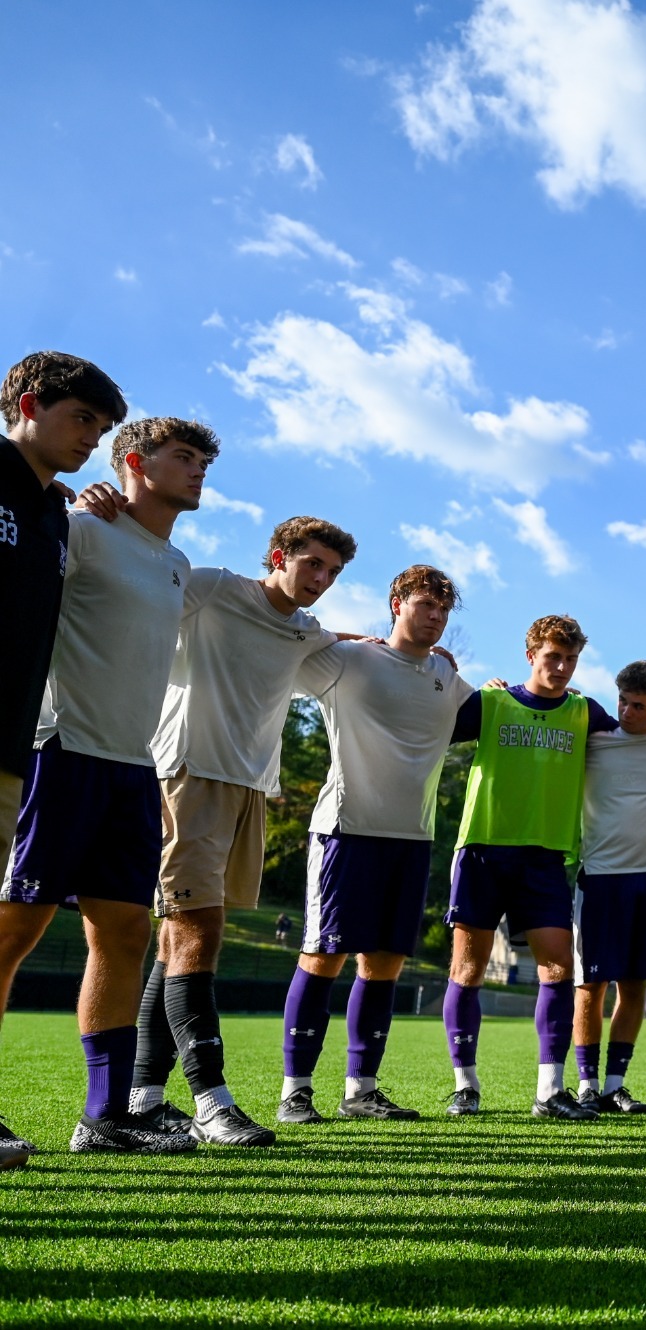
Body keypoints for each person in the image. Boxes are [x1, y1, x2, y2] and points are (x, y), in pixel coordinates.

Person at [2, 417, 212, 1156]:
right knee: (14, 930)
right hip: (61, 751)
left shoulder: (179, 562)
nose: (197, 470)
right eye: (181, 457)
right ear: (134, 461)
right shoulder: (81, 527)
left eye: (201, 461)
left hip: (132, 767)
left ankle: (107, 1116)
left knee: (124, 933)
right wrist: (70, 499)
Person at [119, 515, 358, 1149]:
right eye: (312, 564)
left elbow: (344, 641)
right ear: (279, 555)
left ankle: (140, 1097)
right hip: (188, 772)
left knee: (177, 941)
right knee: (199, 934)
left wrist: (403, 646)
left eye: (332, 573)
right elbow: (142, 600)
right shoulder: (216, 588)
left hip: (251, 787)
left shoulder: (307, 630)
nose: (322, 580)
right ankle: (211, 1101)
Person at [277, 565, 473, 1124]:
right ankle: (296, 1091)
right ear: (396, 603)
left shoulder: (446, 677)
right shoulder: (349, 660)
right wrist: (342, 636)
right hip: (345, 832)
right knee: (323, 955)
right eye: (425, 605)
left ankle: (361, 1091)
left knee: (384, 963)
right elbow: (285, 646)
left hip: (411, 839)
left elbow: (497, 712)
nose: (435, 617)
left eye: (443, 609)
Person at [0, 352, 128, 1167]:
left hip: (9, 748)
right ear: (27, 402)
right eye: (81, 419)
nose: (91, 440)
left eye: (102, 428)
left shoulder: (55, 513)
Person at [441, 614, 618, 1120]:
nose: (561, 667)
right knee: (468, 968)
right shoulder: (491, 703)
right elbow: (424, 726)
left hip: (545, 857)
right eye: (552, 657)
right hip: (483, 849)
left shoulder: (585, 711)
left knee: (559, 967)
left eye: (570, 659)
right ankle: (465, 1086)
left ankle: (549, 1092)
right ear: (530, 656)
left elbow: (639, 732)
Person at [572, 659, 646, 1116]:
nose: (625, 710)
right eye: (622, 700)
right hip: (600, 878)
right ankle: (586, 1085)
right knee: (590, 984)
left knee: (635, 986)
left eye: (638, 705)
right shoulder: (595, 740)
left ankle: (614, 1086)